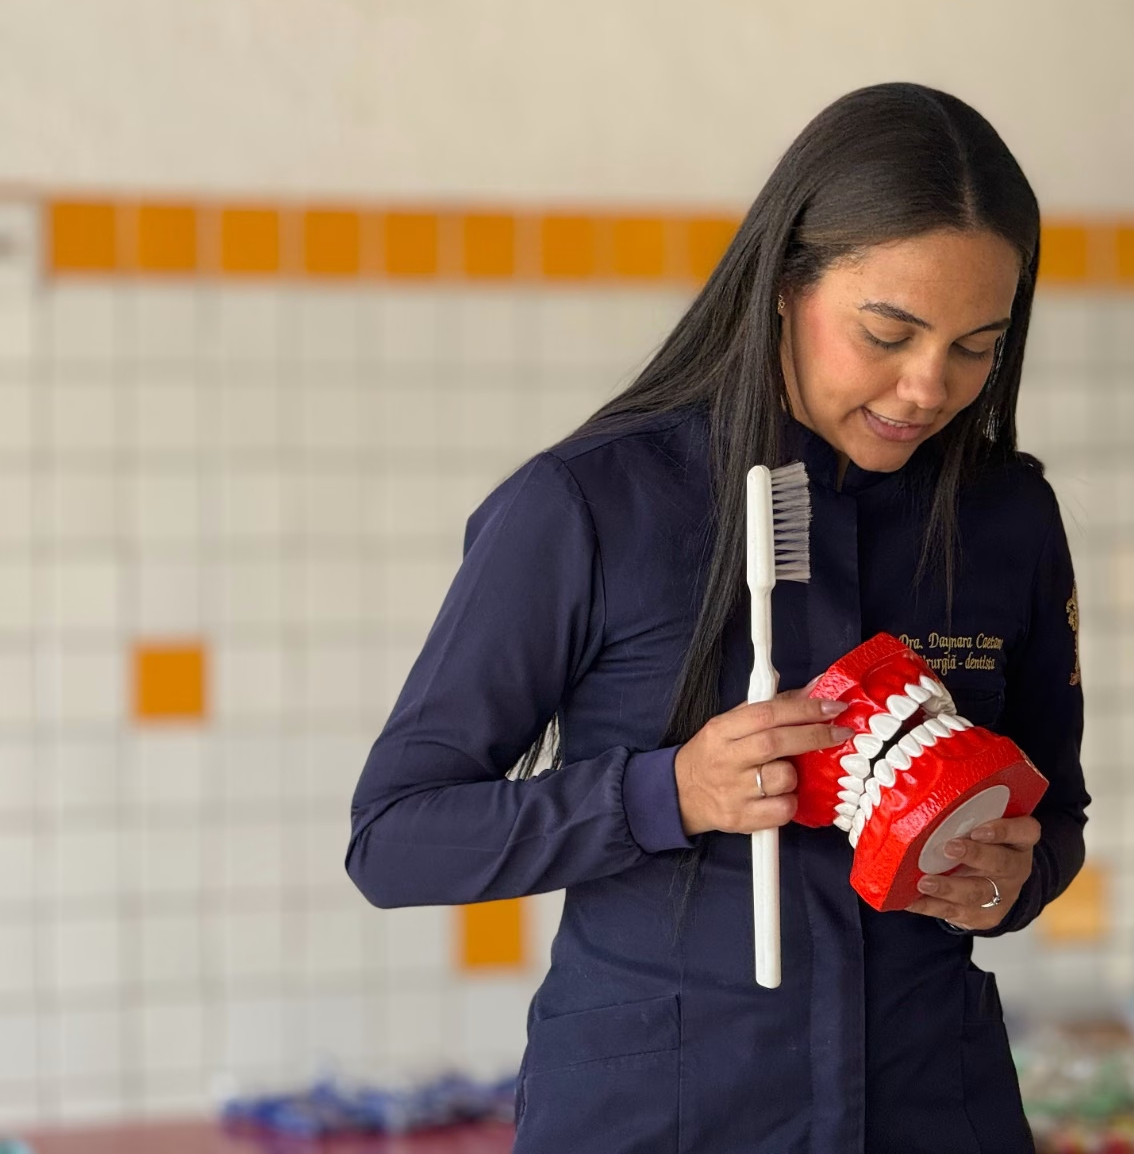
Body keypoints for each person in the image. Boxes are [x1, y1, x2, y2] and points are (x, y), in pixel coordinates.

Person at [347, 82, 1089, 1154]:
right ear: (786, 282)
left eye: (976, 346)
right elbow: (394, 840)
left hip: (934, 1103)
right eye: (887, 332)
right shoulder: (592, 506)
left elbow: (1053, 812)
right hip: (661, 1112)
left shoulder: (1005, 517)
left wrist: (1012, 880)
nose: (928, 387)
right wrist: (667, 793)